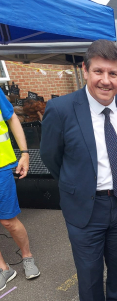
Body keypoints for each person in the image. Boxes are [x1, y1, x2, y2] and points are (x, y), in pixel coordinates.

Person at [40, 40, 117, 301]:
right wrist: (76, 182)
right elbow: (50, 156)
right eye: (99, 72)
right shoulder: (61, 110)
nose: (106, 81)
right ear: (85, 70)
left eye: (113, 74)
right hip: (85, 208)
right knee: (90, 279)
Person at [0, 90, 40, 280]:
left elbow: (12, 118)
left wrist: (24, 153)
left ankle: (27, 256)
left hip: (1, 166)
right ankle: (4, 269)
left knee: (8, 221)